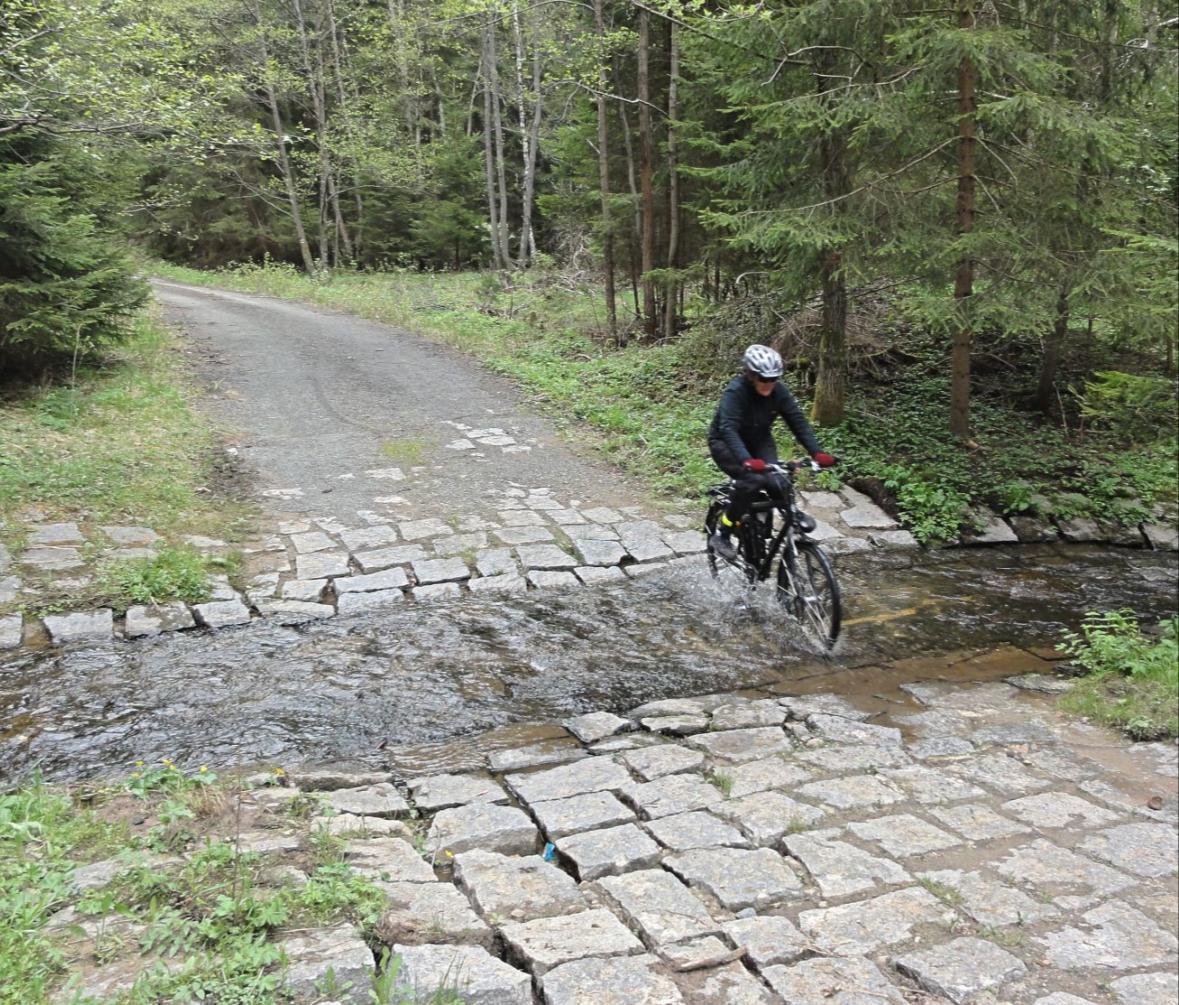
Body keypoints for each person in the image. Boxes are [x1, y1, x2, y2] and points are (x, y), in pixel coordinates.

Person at [707, 344, 837, 562]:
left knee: (777, 480)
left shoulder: (779, 392)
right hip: (726, 443)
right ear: (751, 375)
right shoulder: (736, 392)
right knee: (753, 480)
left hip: (759, 440)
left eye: (773, 379)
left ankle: (790, 515)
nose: (768, 384)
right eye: (763, 379)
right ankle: (724, 533)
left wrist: (817, 452)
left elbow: (798, 422)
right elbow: (728, 429)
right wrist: (746, 460)